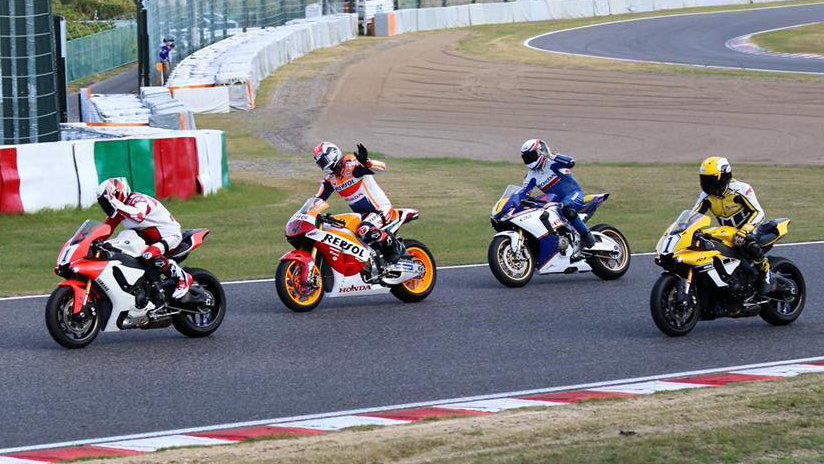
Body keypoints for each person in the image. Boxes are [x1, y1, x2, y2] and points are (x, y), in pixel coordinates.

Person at [95, 177, 192, 301]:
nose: (106, 205)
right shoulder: (120, 210)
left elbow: (139, 216)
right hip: (148, 239)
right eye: (103, 202)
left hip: (169, 235)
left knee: (149, 254)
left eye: (107, 200)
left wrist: (116, 203)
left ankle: (182, 278)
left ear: (117, 194)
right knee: (119, 250)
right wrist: (89, 241)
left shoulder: (138, 199)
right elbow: (107, 228)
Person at [691, 156, 772, 294]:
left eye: (711, 179)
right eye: (704, 179)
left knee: (748, 242)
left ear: (724, 175)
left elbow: (759, 212)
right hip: (728, 232)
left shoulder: (741, 189)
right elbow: (693, 216)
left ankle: (765, 271)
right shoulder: (706, 196)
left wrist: (745, 230)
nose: (707, 183)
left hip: (751, 228)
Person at [312, 142, 403, 265]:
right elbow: (318, 199)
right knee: (342, 232)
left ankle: (394, 247)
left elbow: (382, 167)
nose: (322, 165)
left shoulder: (351, 164)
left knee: (364, 229)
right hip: (362, 215)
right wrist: (310, 213)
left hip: (380, 209)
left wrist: (366, 162)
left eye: (323, 161)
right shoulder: (330, 179)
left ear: (332, 155)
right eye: (320, 163)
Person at [518, 138, 595, 249]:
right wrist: (520, 200)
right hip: (556, 203)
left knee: (566, 207)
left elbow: (571, 162)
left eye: (531, 156)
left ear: (540, 152)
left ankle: (587, 236)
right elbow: (523, 192)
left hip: (574, 194)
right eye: (526, 158)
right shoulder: (531, 176)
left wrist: (550, 155)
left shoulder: (552, 162)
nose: (529, 160)